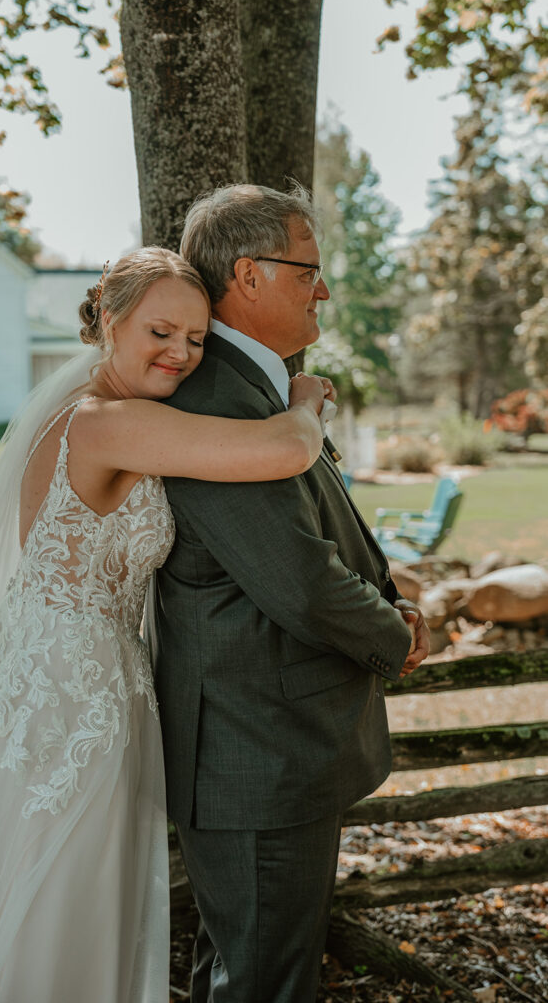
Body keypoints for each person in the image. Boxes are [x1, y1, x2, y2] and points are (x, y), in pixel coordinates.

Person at [0, 247, 333, 1003]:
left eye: (196, 339)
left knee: (48, 888)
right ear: (109, 321)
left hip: (76, 676)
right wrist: (306, 397)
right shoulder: (101, 424)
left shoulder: (101, 415)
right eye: (162, 331)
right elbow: (286, 450)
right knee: (55, 889)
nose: (181, 354)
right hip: (66, 695)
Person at [146, 185, 431, 1003]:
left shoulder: (260, 388)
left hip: (270, 741)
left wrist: (387, 597)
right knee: (263, 979)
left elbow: (310, 531)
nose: (325, 289)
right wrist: (394, 632)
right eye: (309, 270)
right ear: (248, 275)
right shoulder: (213, 401)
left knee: (249, 964)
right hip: (254, 749)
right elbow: (299, 583)